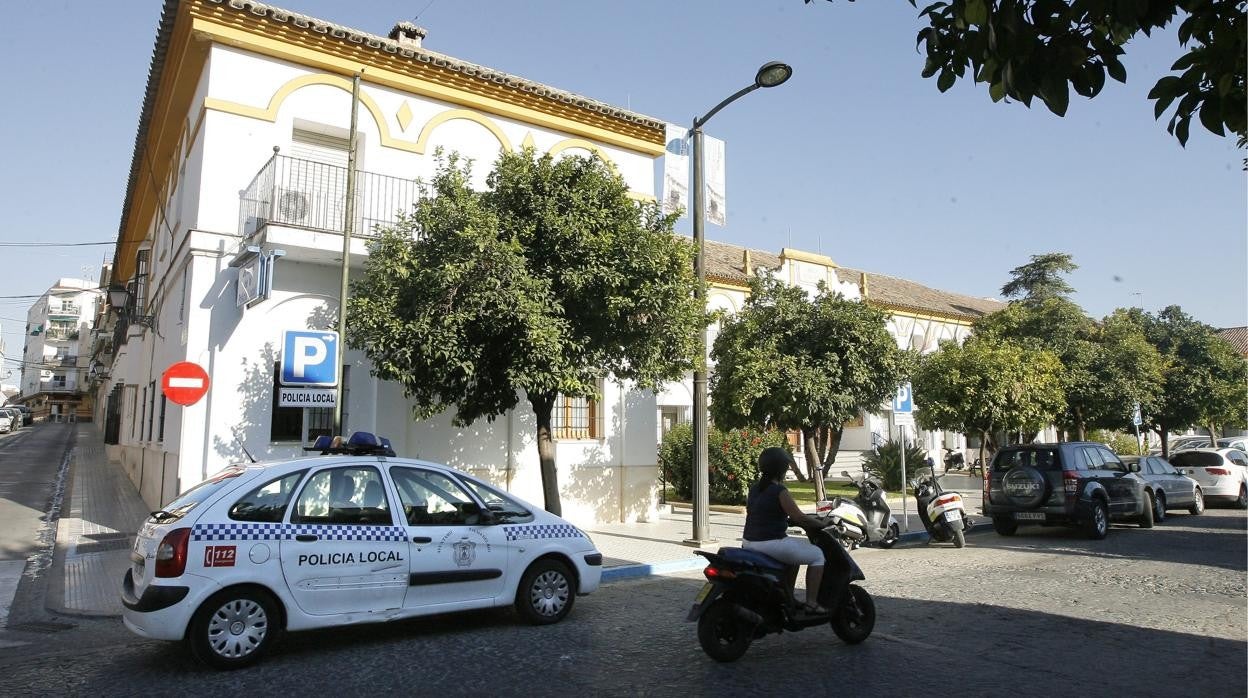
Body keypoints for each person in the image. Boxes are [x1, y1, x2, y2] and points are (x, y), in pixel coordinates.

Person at [742, 446, 828, 615]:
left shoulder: (754, 489)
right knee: (817, 555)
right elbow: (800, 518)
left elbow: (761, 511)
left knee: (793, 558)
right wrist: (821, 524)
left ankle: (786, 597)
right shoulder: (780, 491)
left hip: (748, 542)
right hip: (770, 543)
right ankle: (811, 603)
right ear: (781, 468)